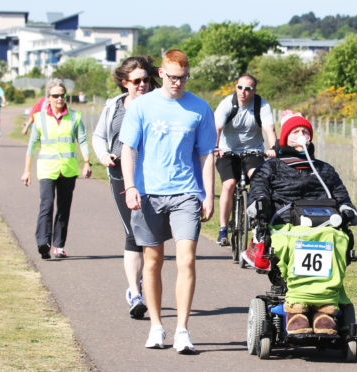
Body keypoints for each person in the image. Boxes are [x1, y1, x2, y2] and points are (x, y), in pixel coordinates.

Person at [119, 49, 216, 353]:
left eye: (183, 78)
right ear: (161, 73)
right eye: (172, 77)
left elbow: (205, 155)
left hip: (186, 193)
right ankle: (156, 327)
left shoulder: (199, 108)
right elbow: (128, 149)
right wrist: (131, 186)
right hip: (149, 193)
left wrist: (208, 194)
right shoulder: (142, 106)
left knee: (186, 259)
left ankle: (183, 330)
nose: (177, 83)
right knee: (153, 261)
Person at [246, 110, 357, 335]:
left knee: (337, 239)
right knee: (292, 242)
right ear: (285, 139)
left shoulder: (324, 170)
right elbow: (258, 191)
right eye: (295, 132)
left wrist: (347, 210)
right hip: (284, 226)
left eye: (304, 132)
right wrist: (258, 207)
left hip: (323, 227)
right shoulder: (271, 167)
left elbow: (340, 196)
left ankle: (324, 311)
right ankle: (296, 309)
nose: (301, 135)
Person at [92, 56, 159, 319]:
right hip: (120, 171)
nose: (143, 85)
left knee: (150, 233)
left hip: (152, 174)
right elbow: (99, 136)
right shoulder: (114, 107)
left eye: (146, 80)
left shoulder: (158, 104)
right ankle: (134, 292)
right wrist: (103, 155)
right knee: (132, 231)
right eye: (137, 81)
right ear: (125, 83)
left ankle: (143, 282)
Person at [20, 78, 92, 259]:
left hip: (67, 169)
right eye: (55, 96)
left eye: (62, 95)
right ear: (48, 98)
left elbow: (82, 140)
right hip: (47, 169)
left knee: (63, 207)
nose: (59, 98)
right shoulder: (40, 118)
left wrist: (87, 162)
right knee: (46, 205)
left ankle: (59, 245)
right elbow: (32, 145)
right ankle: (43, 243)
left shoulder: (75, 117)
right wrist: (26, 170)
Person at [213, 74, 277, 246]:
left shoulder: (261, 105)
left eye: (248, 89)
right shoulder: (228, 103)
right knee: (229, 184)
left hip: (253, 151)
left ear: (254, 91)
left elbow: (269, 128)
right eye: (240, 87)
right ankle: (223, 229)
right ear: (236, 88)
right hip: (227, 151)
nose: (243, 92)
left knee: (257, 177)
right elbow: (217, 127)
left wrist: (273, 148)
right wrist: (215, 146)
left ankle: (256, 219)